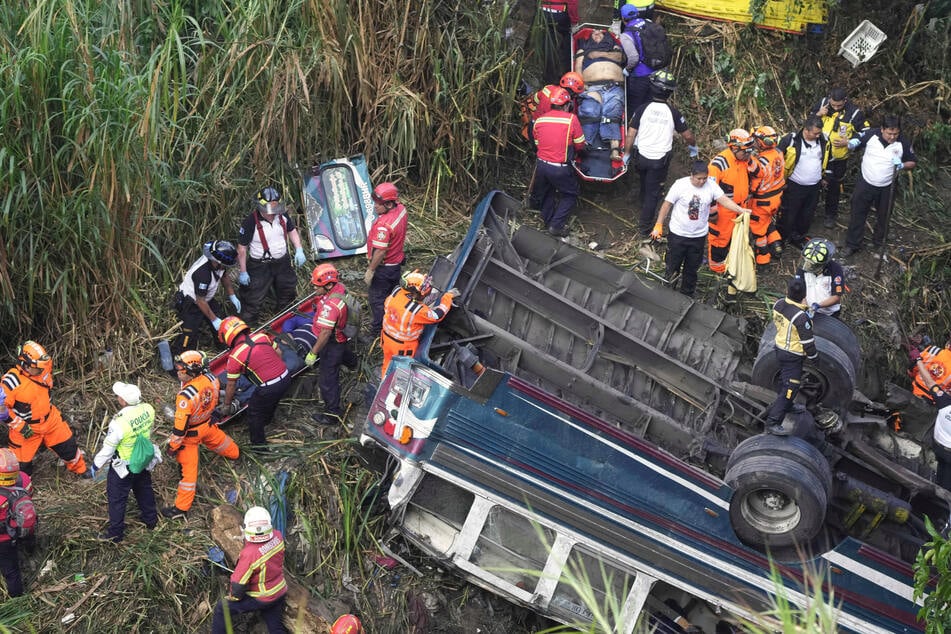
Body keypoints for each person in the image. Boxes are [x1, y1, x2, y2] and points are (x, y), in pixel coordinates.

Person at [651, 162, 751, 297]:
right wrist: (659, 224)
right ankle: (668, 291)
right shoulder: (680, 185)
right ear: (692, 175)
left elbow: (724, 200)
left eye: (704, 178)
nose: (702, 181)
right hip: (678, 235)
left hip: (698, 236)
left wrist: (740, 210)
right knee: (672, 265)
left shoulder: (711, 185)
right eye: (699, 178)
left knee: (691, 269)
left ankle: (687, 294)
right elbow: (666, 205)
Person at [163, 351, 240, 519]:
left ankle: (180, 509)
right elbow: (214, 398)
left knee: (188, 475)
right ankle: (236, 455)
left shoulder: (186, 396)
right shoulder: (212, 379)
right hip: (208, 425)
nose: (177, 371)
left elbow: (179, 429)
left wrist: (172, 447)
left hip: (190, 437)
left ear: (191, 371)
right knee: (225, 445)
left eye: (180, 368)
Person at [623, 70, 698, 236]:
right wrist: (693, 148)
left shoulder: (642, 109)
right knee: (653, 193)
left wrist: (626, 154)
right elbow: (688, 136)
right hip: (659, 161)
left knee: (643, 180)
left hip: (641, 157)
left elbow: (631, 134)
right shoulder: (673, 113)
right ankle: (644, 229)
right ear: (670, 92)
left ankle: (642, 204)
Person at [1, 341, 89, 478]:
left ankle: (81, 471)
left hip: (50, 420)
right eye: (38, 368)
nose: (42, 370)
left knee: (69, 448)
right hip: (26, 428)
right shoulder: (11, 382)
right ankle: (21, 492)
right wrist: (20, 426)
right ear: (25, 365)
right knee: (20, 467)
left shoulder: (44, 367)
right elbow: (1, 409)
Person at [92, 381, 159, 542]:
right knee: (144, 489)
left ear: (123, 401)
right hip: (142, 459)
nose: (117, 398)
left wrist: (96, 465)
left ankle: (115, 533)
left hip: (123, 465)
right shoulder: (148, 409)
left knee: (117, 498)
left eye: (119, 396)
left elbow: (108, 448)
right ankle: (151, 520)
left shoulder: (119, 422)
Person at [841, 115, 917, 257]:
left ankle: (879, 241)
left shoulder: (903, 143)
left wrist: (902, 165)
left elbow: (912, 162)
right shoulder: (871, 135)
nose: (892, 137)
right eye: (889, 133)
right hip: (866, 182)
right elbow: (858, 139)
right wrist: (853, 142)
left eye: (896, 133)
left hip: (887, 186)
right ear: (882, 129)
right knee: (858, 212)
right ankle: (852, 244)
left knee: (884, 214)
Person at [236, 185, 308, 326]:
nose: (272, 213)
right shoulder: (250, 222)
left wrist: (299, 249)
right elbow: (242, 248)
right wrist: (243, 271)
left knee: (287, 290)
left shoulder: (282, 215)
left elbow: (292, 231)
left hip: (282, 262)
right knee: (253, 298)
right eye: (269, 210)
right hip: (259, 266)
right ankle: (249, 328)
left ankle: (285, 319)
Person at [211, 506, 287, 634]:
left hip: (262, 597)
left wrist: (233, 598)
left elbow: (238, 584)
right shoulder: (278, 536)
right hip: (279, 591)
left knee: (222, 608)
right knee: (276, 629)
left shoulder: (249, 554)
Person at [218, 317, 291, 449]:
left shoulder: (235, 356)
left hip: (269, 386)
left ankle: (259, 446)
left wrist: (227, 405)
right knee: (272, 400)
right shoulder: (261, 336)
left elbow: (231, 385)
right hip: (286, 376)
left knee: (254, 412)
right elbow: (278, 353)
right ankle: (267, 420)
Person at [808, 87, 869, 228]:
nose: (835, 108)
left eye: (839, 105)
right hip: (817, 153)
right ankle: (809, 212)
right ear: (829, 99)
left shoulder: (854, 113)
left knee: (834, 187)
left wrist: (850, 142)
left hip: (837, 158)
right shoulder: (823, 103)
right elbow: (808, 123)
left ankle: (830, 216)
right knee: (812, 182)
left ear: (845, 101)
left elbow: (866, 132)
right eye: (833, 105)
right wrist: (818, 114)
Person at [305, 264, 358, 426]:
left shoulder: (331, 307)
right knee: (344, 353)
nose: (314, 288)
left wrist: (314, 352)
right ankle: (354, 363)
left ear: (328, 285)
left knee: (327, 379)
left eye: (317, 286)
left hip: (332, 342)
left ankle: (332, 413)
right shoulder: (340, 289)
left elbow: (325, 334)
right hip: (341, 337)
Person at [764, 277, 818, 434]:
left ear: (787, 291)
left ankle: (788, 406)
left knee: (784, 380)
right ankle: (773, 422)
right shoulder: (801, 318)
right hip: (792, 355)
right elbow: (808, 343)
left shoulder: (779, 304)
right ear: (804, 295)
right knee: (791, 388)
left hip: (780, 348)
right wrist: (815, 359)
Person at [531, 86, 586, 237]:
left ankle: (548, 221)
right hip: (559, 167)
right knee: (570, 194)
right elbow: (580, 143)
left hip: (541, 165)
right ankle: (556, 226)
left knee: (548, 191)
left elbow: (537, 144)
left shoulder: (540, 120)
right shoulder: (571, 119)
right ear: (568, 105)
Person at [381, 270, 459, 377]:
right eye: (425, 291)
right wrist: (447, 298)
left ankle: (384, 383)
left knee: (387, 364)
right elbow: (437, 315)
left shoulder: (396, 292)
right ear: (414, 293)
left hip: (387, 339)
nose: (426, 293)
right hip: (403, 347)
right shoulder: (415, 310)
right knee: (401, 372)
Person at [172, 239, 240, 355]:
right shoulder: (203, 274)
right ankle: (181, 363)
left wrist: (232, 294)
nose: (225, 267)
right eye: (224, 265)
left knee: (222, 325)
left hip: (206, 298)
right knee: (189, 335)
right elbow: (200, 301)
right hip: (191, 303)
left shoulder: (219, 265)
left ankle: (224, 349)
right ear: (217, 261)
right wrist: (213, 320)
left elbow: (224, 276)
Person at [364, 182, 408, 338]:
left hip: (384, 268)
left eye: (379, 203)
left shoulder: (383, 225)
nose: (375, 206)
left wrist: (371, 270)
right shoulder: (401, 210)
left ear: (389, 204)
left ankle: (378, 332)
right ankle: (394, 320)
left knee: (376, 300)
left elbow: (381, 251)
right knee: (393, 296)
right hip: (396, 263)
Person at [707, 129, 755, 274]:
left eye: (749, 151)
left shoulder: (744, 160)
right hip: (723, 211)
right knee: (719, 240)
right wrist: (712, 213)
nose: (747, 154)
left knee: (735, 239)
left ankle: (730, 263)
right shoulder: (718, 164)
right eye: (745, 151)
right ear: (734, 147)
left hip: (741, 208)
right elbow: (709, 189)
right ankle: (717, 269)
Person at [776, 117, 828, 250]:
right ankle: (780, 239)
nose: (818, 135)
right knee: (788, 213)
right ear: (806, 130)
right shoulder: (791, 140)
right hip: (794, 185)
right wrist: (780, 182)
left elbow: (827, 159)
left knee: (807, 214)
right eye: (815, 133)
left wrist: (824, 177)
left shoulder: (823, 141)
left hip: (814, 186)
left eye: (819, 133)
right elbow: (776, 160)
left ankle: (798, 237)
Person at [573, 29, 625, 159]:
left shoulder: (614, 47)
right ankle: (584, 145)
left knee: (612, 112)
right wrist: (581, 86)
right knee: (589, 111)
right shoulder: (583, 50)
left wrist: (598, 54)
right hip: (591, 87)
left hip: (614, 86)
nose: (596, 33)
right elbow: (578, 67)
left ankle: (615, 150)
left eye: (600, 33)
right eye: (593, 33)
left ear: (606, 37)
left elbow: (619, 57)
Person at [618, 0, 666, 112]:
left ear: (623, 19)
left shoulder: (626, 35)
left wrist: (627, 69)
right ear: (637, 14)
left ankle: (633, 127)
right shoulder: (649, 23)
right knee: (649, 105)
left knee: (635, 107)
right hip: (656, 73)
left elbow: (633, 58)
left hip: (640, 75)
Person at [748, 125, 785, 264]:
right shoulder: (778, 153)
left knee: (758, 230)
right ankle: (776, 245)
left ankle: (763, 258)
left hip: (762, 201)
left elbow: (754, 181)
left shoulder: (760, 161)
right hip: (777, 197)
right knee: (767, 221)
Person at [0, 448, 33, 597]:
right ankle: (17, 597)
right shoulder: (24, 479)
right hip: (14, 533)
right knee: (12, 571)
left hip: (3, 539)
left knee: (9, 570)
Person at [915, 356, 951, 490]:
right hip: (948, 455)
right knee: (945, 485)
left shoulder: (945, 401)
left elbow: (930, 382)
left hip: (936, 446)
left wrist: (918, 360)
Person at [796, 238, 845, 318]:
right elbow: (799, 286)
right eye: (807, 262)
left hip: (829, 314)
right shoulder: (804, 265)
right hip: (807, 309)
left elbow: (836, 297)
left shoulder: (835, 269)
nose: (808, 266)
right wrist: (804, 302)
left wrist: (818, 306)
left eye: (812, 265)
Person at [537, 0, 578, 86]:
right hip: (559, 14)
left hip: (542, 12)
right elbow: (572, 3)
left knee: (546, 44)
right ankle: (567, 74)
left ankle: (549, 78)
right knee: (568, 43)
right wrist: (574, 22)